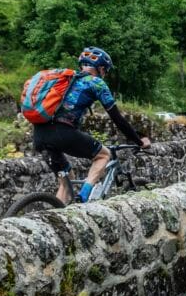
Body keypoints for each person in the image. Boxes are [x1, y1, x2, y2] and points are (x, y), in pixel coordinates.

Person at [32, 47, 151, 203]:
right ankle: (83, 197)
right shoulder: (96, 83)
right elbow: (117, 118)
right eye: (105, 71)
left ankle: (55, 216)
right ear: (101, 68)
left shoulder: (67, 79)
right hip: (62, 132)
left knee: (67, 181)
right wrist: (139, 141)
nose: (105, 74)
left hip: (39, 134)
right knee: (104, 155)